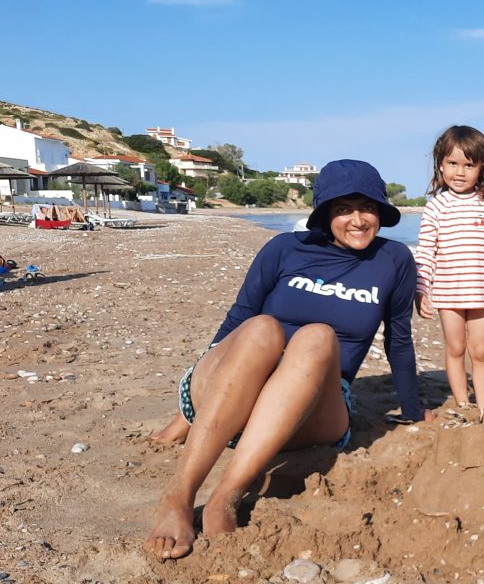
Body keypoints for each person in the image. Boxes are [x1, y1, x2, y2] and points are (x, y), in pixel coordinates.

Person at [144, 159, 435, 560]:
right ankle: (178, 497)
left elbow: (398, 341)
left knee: (317, 336)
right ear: (324, 214)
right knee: (264, 327)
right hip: (232, 393)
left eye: (366, 207)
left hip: (310, 409)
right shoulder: (284, 249)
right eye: (343, 209)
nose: (358, 220)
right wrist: (189, 412)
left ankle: (225, 497)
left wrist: (415, 408)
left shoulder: (395, 261)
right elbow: (238, 321)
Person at [414, 126, 484, 416]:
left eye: (469, 165)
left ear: (482, 168)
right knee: (455, 349)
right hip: (447, 293)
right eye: (453, 163)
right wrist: (421, 288)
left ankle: (482, 407)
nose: (460, 172)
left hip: (481, 294)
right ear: (441, 165)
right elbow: (426, 252)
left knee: (480, 352)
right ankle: (463, 404)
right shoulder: (435, 207)